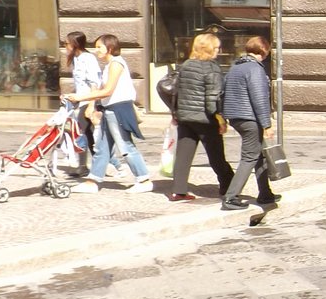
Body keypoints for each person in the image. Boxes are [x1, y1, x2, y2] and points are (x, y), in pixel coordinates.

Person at [69, 35, 152, 194]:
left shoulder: (116, 63)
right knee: (102, 147)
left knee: (125, 145)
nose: (96, 50)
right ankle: (92, 181)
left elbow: (108, 91)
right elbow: (103, 92)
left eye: (99, 47)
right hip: (110, 110)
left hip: (119, 110)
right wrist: (94, 105)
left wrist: (81, 97)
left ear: (110, 48)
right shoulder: (109, 66)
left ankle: (144, 179)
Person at [167, 31, 235, 201]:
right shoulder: (212, 68)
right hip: (205, 119)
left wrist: (176, 113)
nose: (218, 51)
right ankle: (229, 186)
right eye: (216, 47)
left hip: (185, 118)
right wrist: (220, 120)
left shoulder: (186, 65)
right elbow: (213, 99)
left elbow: (178, 92)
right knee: (216, 156)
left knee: (183, 155)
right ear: (209, 49)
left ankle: (178, 191)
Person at [221, 36, 279, 210]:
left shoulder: (235, 68)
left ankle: (265, 193)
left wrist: (224, 117)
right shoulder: (255, 70)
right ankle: (231, 197)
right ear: (264, 51)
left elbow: (223, 93)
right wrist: (266, 124)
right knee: (249, 157)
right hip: (249, 118)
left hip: (236, 117)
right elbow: (259, 99)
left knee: (258, 154)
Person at [63, 32, 102, 178]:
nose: (65, 46)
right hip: (81, 100)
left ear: (75, 44)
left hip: (89, 100)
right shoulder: (76, 59)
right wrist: (71, 95)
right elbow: (80, 83)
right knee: (88, 134)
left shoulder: (88, 58)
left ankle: (84, 166)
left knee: (79, 131)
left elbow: (94, 83)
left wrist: (92, 105)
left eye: (67, 43)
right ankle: (98, 164)